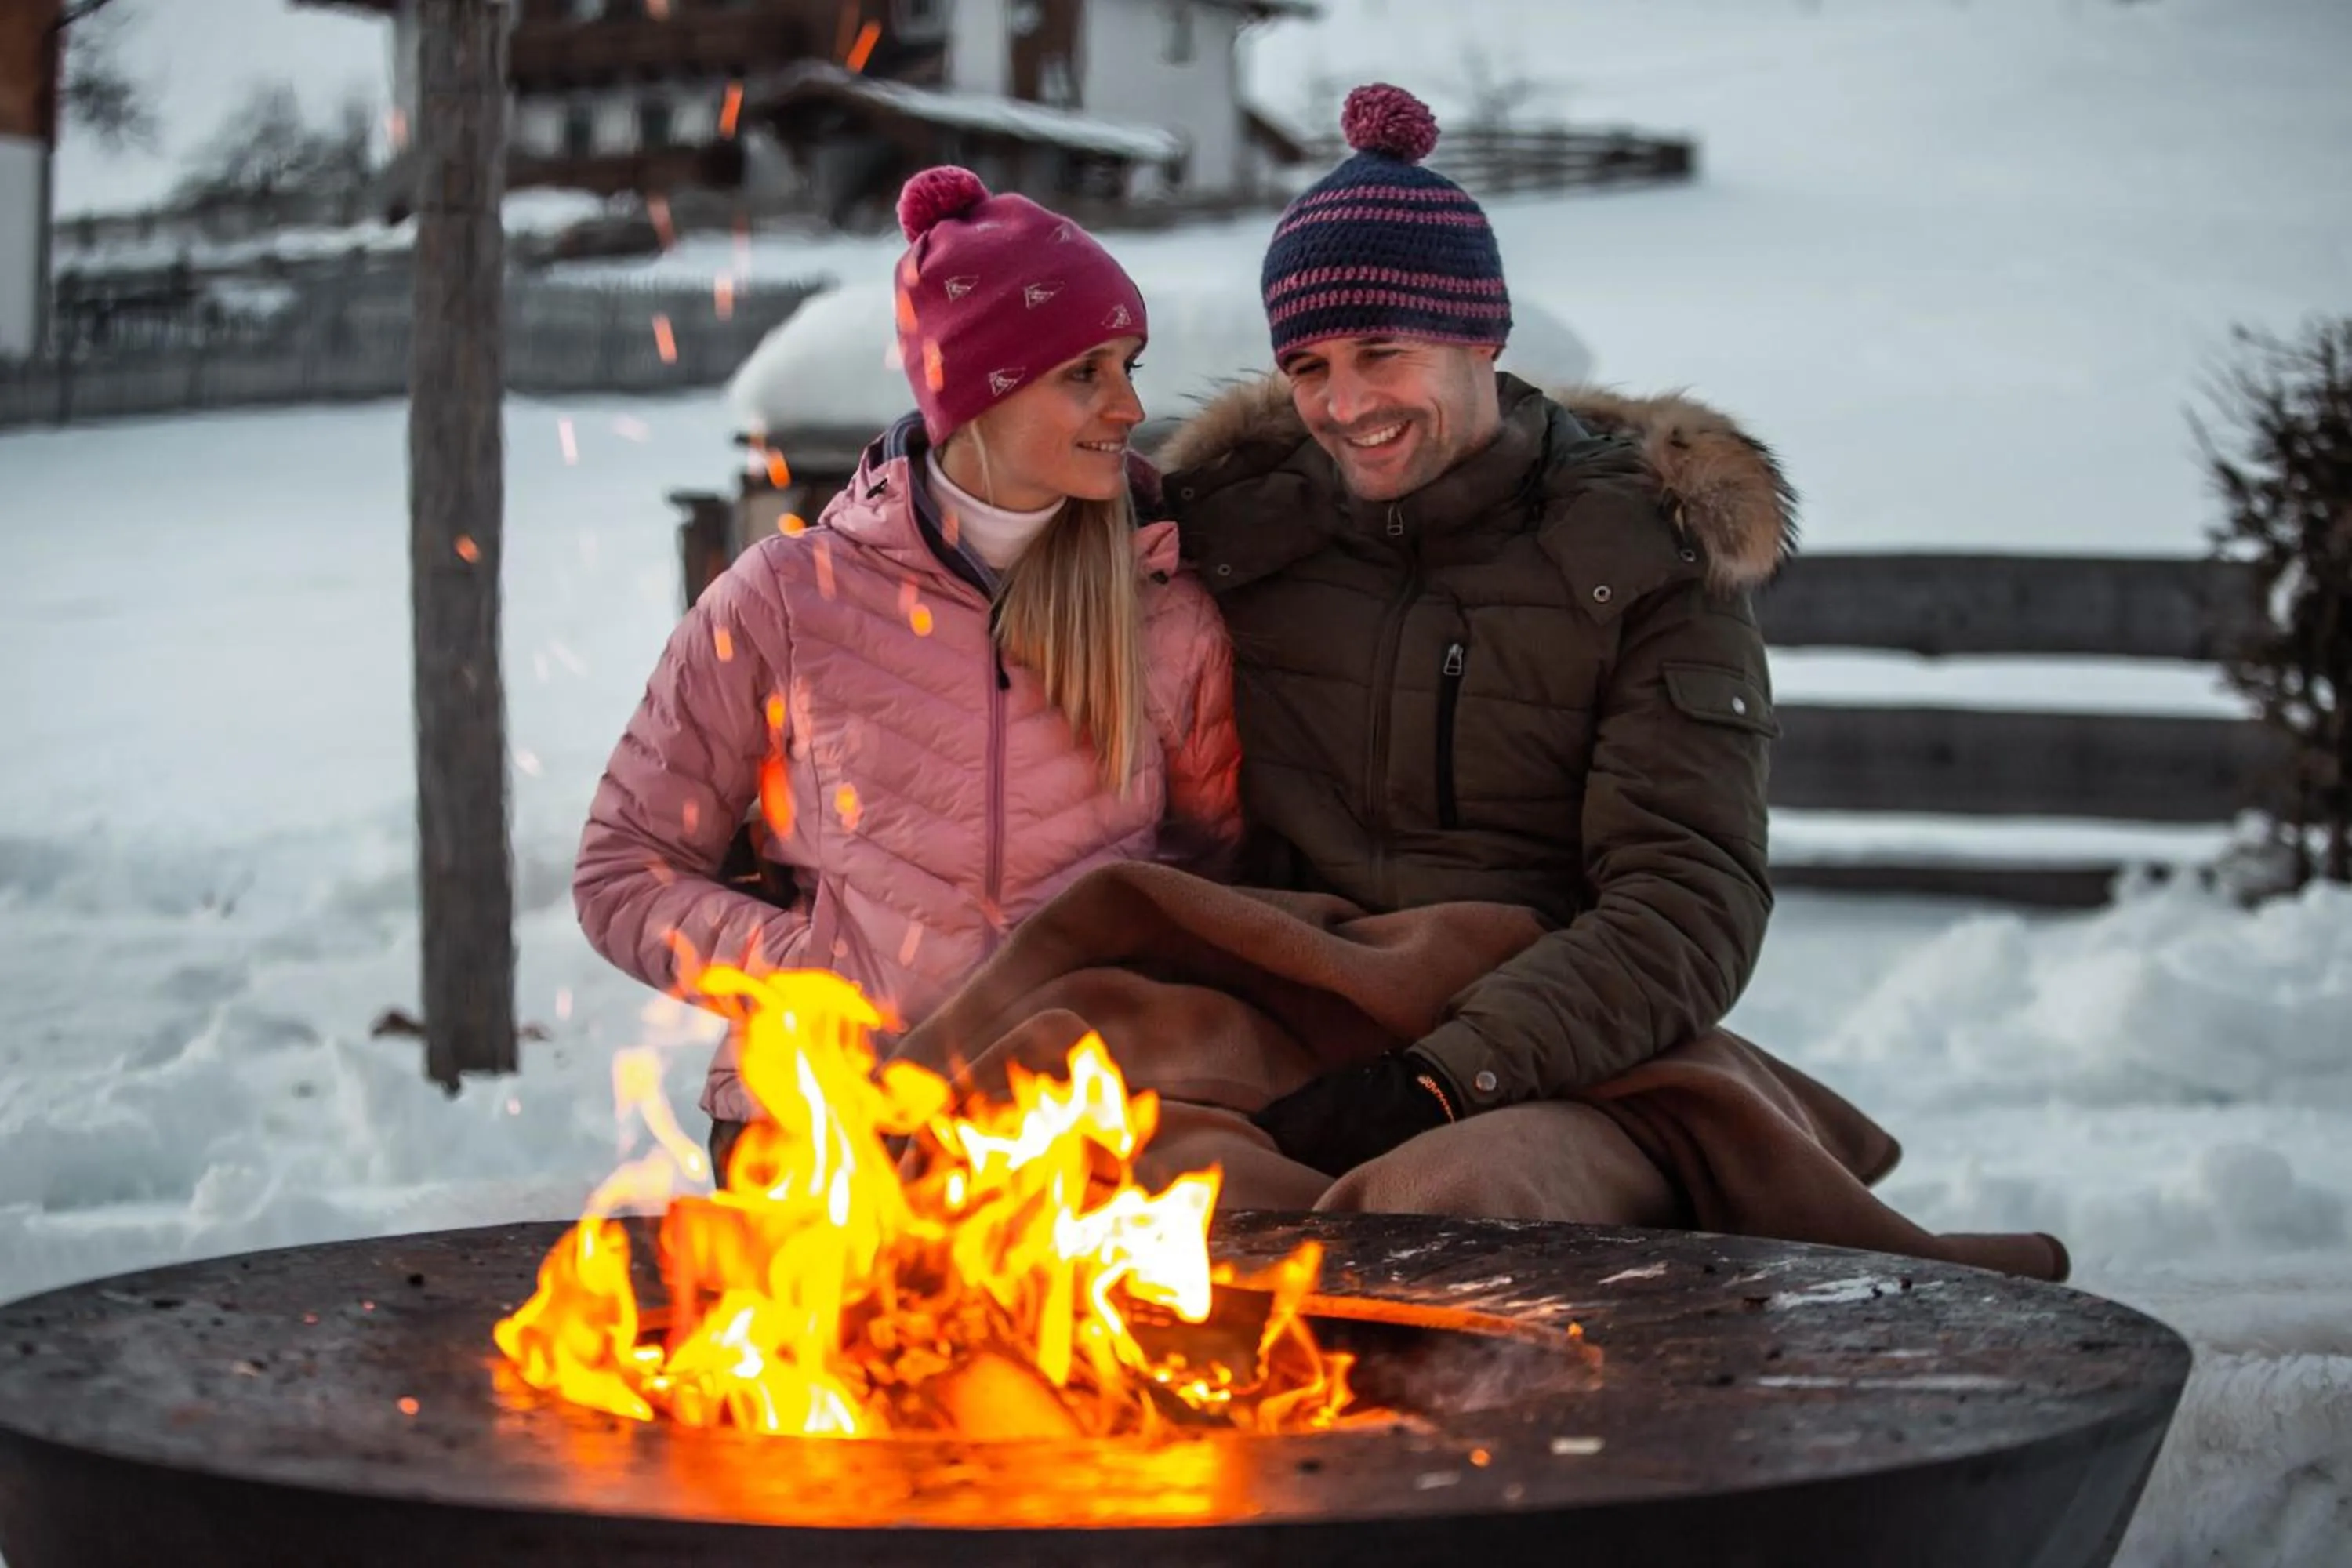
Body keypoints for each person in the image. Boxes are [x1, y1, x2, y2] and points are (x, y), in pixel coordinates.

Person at [1154, 84, 1796, 1221]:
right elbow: (1005, 501)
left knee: (1438, 1210)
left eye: (1380, 352)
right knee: (1070, 1169)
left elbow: (1687, 898)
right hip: (1287, 1011)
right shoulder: (1239, 527)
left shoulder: (1641, 557)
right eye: (1308, 366)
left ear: (1480, 337)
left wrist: (1443, 1082)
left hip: (1552, 1055)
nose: (1345, 405)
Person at [573, 166, 1241, 1165]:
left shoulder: (1165, 613)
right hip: (822, 1123)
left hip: (1068, 1133)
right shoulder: (786, 599)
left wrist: (1111, 989)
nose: (1130, 406)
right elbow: (622, 868)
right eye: (1085, 374)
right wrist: (810, 969)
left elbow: (1211, 873)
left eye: (1129, 365)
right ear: (982, 391)